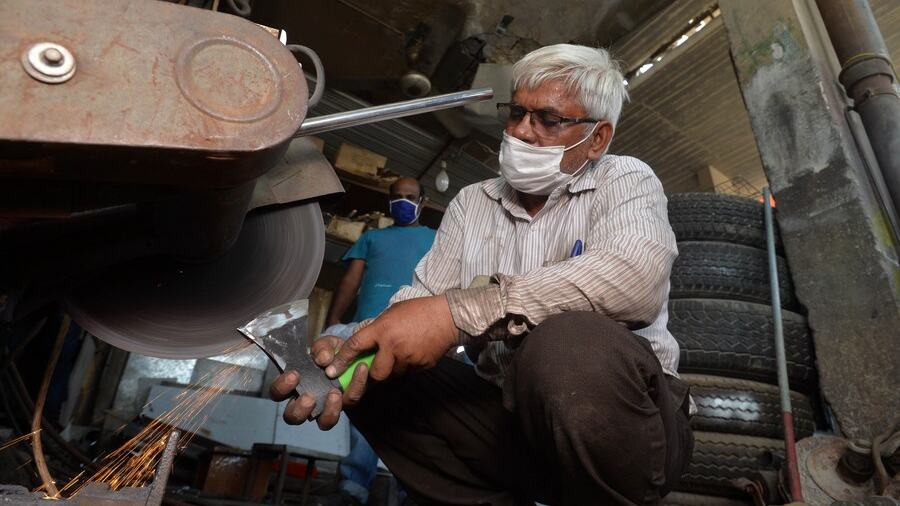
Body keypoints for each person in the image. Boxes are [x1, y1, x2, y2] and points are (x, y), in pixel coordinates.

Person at [271, 44, 693, 506]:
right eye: (516, 113)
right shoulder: (473, 202)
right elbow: (417, 305)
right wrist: (349, 351)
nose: (521, 131)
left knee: (564, 342)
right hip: (510, 421)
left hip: (631, 430)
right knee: (382, 373)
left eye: (548, 120)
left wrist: (459, 313)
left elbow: (636, 278)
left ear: (597, 138)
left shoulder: (625, 179)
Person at [324, 176, 436, 505]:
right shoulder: (371, 238)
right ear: (389, 200)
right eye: (397, 196)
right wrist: (334, 321)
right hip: (367, 331)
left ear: (423, 202)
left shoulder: (437, 239)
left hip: (414, 332)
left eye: (410, 197)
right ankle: (353, 486)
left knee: (413, 412)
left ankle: (412, 491)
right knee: (363, 402)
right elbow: (351, 281)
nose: (403, 202)